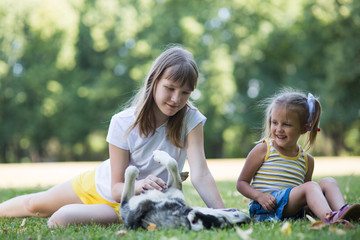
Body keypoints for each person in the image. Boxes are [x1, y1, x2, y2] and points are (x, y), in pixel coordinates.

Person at [0, 45, 225, 227]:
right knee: (34, 205)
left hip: (131, 206)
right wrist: (139, 184)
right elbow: (117, 185)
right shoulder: (123, 122)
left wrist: (224, 214)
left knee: (59, 219)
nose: (177, 98)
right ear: (154, 81)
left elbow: (201, 175)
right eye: (170, 88)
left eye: (185, 92)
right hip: (100, 184)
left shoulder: (191, 120)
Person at [236, 89, 360, 223]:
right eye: (275, 122)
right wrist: (260, 196)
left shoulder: (307, 160)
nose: (279, 129)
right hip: (265, 209)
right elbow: (241, 183)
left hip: (292, 212)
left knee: (328, 181)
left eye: (287, 124)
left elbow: (306, 195)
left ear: (303, 128)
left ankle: (343, 211)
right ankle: (330, 218)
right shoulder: (263, 149)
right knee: (311, 186)